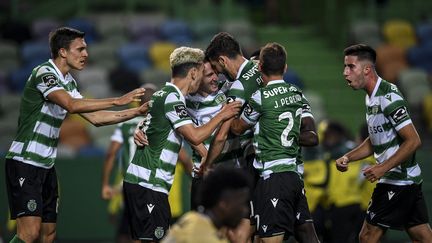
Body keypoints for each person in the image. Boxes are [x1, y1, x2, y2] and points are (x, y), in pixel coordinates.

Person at [4, 27, 149, 243]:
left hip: (46, 165)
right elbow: (71, 105)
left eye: (86, 49)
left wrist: (135, 112)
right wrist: (118, 100)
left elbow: (97, 119)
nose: (86, 54)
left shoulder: (69, 81)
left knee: (49, 234)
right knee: (29, 233)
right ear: (63, 51)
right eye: (80, 49)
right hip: (25, 161)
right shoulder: (44, 73)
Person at [122, 46, 242, 242]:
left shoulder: (164, 95)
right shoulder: (172, 97)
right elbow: (194, 136)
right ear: (194, 73)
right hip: (149, 182)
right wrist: (223, 114)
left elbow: (152, 122)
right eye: (203, 73)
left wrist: (141, 128)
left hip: (143, 182)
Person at [336, 44, 432, 243]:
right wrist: (348, 157)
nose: (345, 73)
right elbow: (375, 140)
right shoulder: (370, 97)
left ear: (367, 69)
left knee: (367, 237)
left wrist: (382, 168)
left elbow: (414, 140)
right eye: (345, 67)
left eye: (350, 67)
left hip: (397, 180)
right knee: (422, 237)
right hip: (404, 180)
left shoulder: (389, 97)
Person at [230, 42, 319, 243]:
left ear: (259, 67)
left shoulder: (259, 97)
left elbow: (237, 128)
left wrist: (226, 110)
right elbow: (312, 134)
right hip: (295, 176)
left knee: (269, 239)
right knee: (307, 235)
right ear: (285, 67)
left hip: (273, 178)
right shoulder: (297, 93)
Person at [101, 83, 157, 243]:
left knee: (132, 228)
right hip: (153, 183)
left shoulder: (125, 124)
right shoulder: (160, 124)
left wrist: (105, 184)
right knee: (151, 228)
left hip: (130, 182)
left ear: (139, 102)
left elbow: (111, 153)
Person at [162, 167, 252, 243]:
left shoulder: (191, 218)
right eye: (242, 204)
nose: (245, 210)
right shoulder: (204, 237)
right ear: (223, 204)